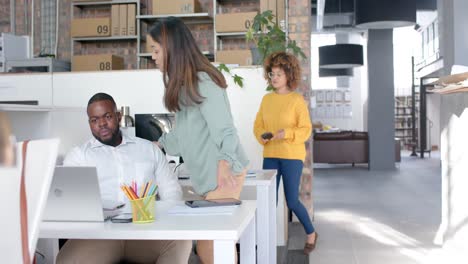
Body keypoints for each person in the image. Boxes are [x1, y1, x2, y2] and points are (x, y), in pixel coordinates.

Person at [147, 17, 249, 264]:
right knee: (209, 248)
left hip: (223, 173)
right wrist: (159, 145)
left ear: (172, 49)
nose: (152, 56)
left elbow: (225, 129)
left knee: (212, 248)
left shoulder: (204, 81)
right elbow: (183, 135)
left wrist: (224, 164)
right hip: (209, 177)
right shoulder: (183, 85)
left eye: (156, 50)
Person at [57, 93, 192, 264]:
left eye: (107, 116)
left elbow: (172, 194)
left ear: (118, 116)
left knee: (181, 242)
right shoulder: (79, 156)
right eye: (94, 120)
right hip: (100, 236)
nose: (102, 124)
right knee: (66, 260)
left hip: (144, 233)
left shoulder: (148, 149)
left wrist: (153, 212)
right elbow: (69, 201)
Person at [253, 51, 318, 255]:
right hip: (270, 154)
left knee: (291, 201)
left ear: (289, 75)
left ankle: (311, 233)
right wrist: (261, 136)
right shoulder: (266, 100)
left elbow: (305, 130)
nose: (274, 78)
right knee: (267, 201)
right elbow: (258, 125)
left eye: (278, 74)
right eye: (272, 74)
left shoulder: (297, 100)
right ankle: (263, 241)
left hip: (291, 157)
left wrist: (286, 133)